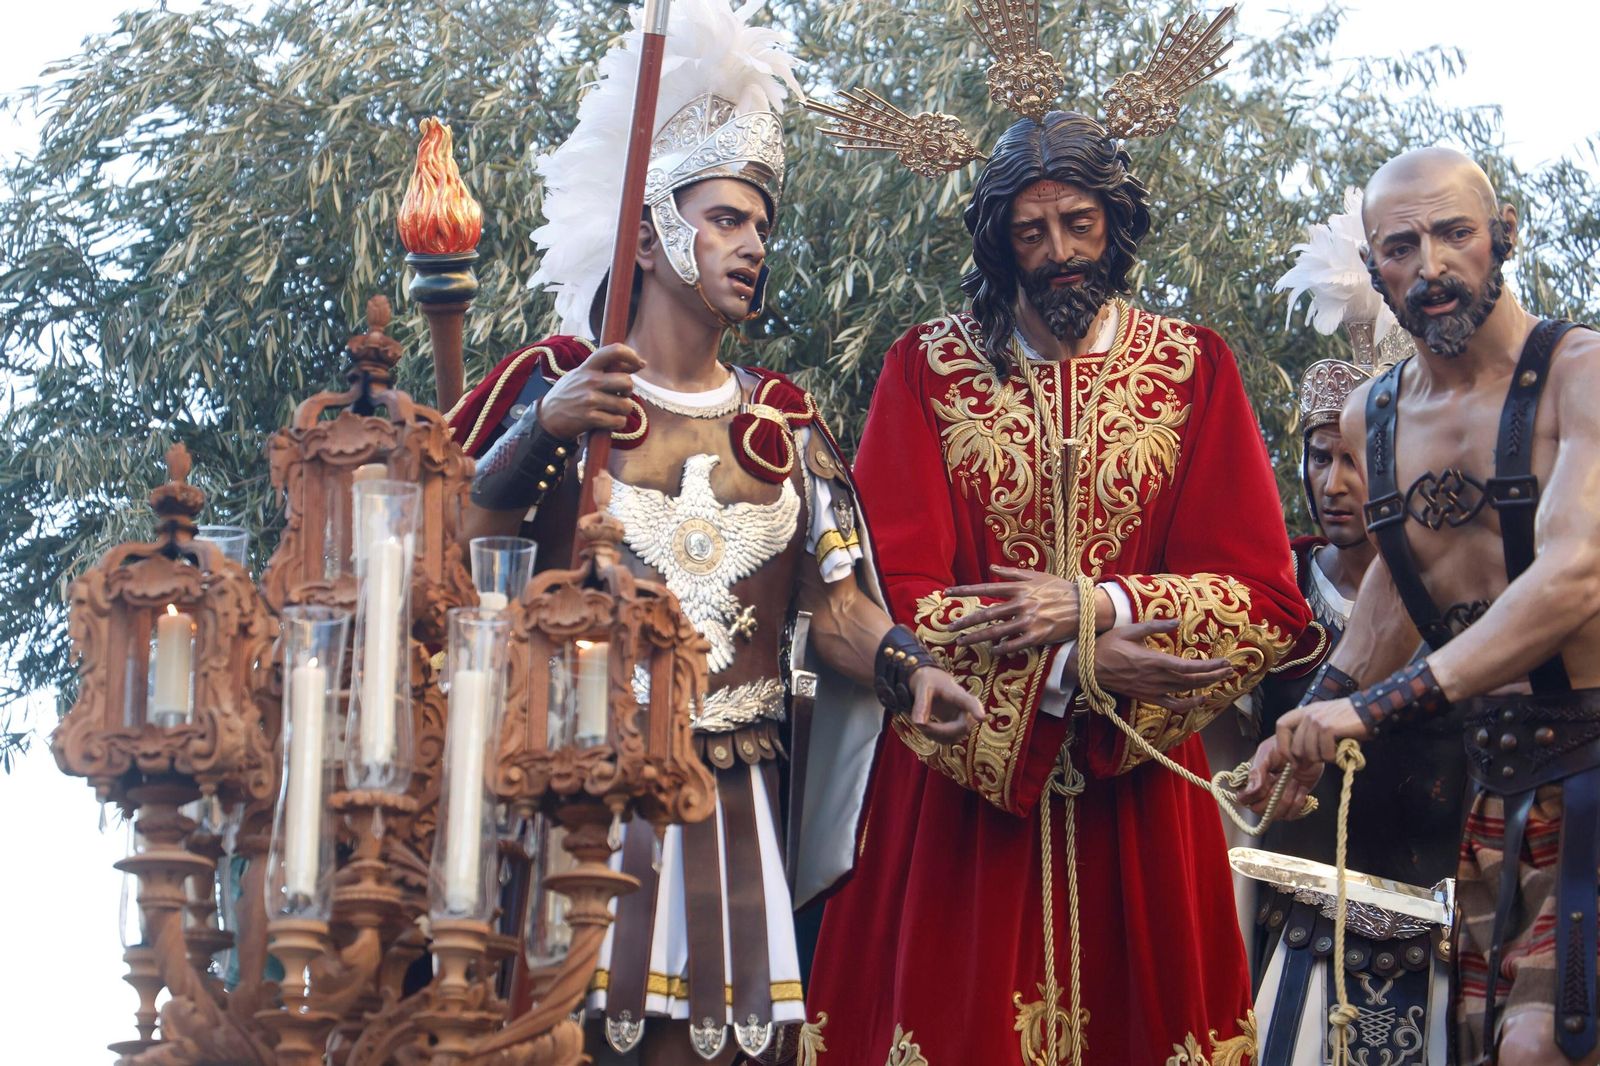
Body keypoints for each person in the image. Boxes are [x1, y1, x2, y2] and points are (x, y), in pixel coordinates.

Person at [446, 3, 981, 1062]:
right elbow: (452, 550)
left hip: (735, 798)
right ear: (648, 234)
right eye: (726, 219)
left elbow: (836, 603)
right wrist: (540, 428)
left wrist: (906, 665)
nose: (753, 246)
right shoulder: (556, 389)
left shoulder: (783, 424)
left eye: (761, 227)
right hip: (581, 798)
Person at [803, 109, 1310, 1065]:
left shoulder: (1192, 368)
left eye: (1079, 223)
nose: (1060, 252)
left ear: (1115, 224)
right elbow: (894, 593)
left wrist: (1104, 609)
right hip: (963, 810)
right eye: (1031, 232)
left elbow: (1265, 596)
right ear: (999, 242)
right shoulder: (927, 368)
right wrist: (1075, 665)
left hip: (1139, 804)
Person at [1266, 146, 1600, 1066]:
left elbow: (1575, 575)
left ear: (1504, 236)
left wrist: (1374, 707)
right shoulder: (1373, 414)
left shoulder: (1582, 372)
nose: (1433, 265)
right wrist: (1303, 725)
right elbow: (1397, 588)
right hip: (1495, 785)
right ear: (1374, 267)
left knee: (1545, 1043)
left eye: (1456, 234)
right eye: (1403, 246)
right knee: (1479, 1045)